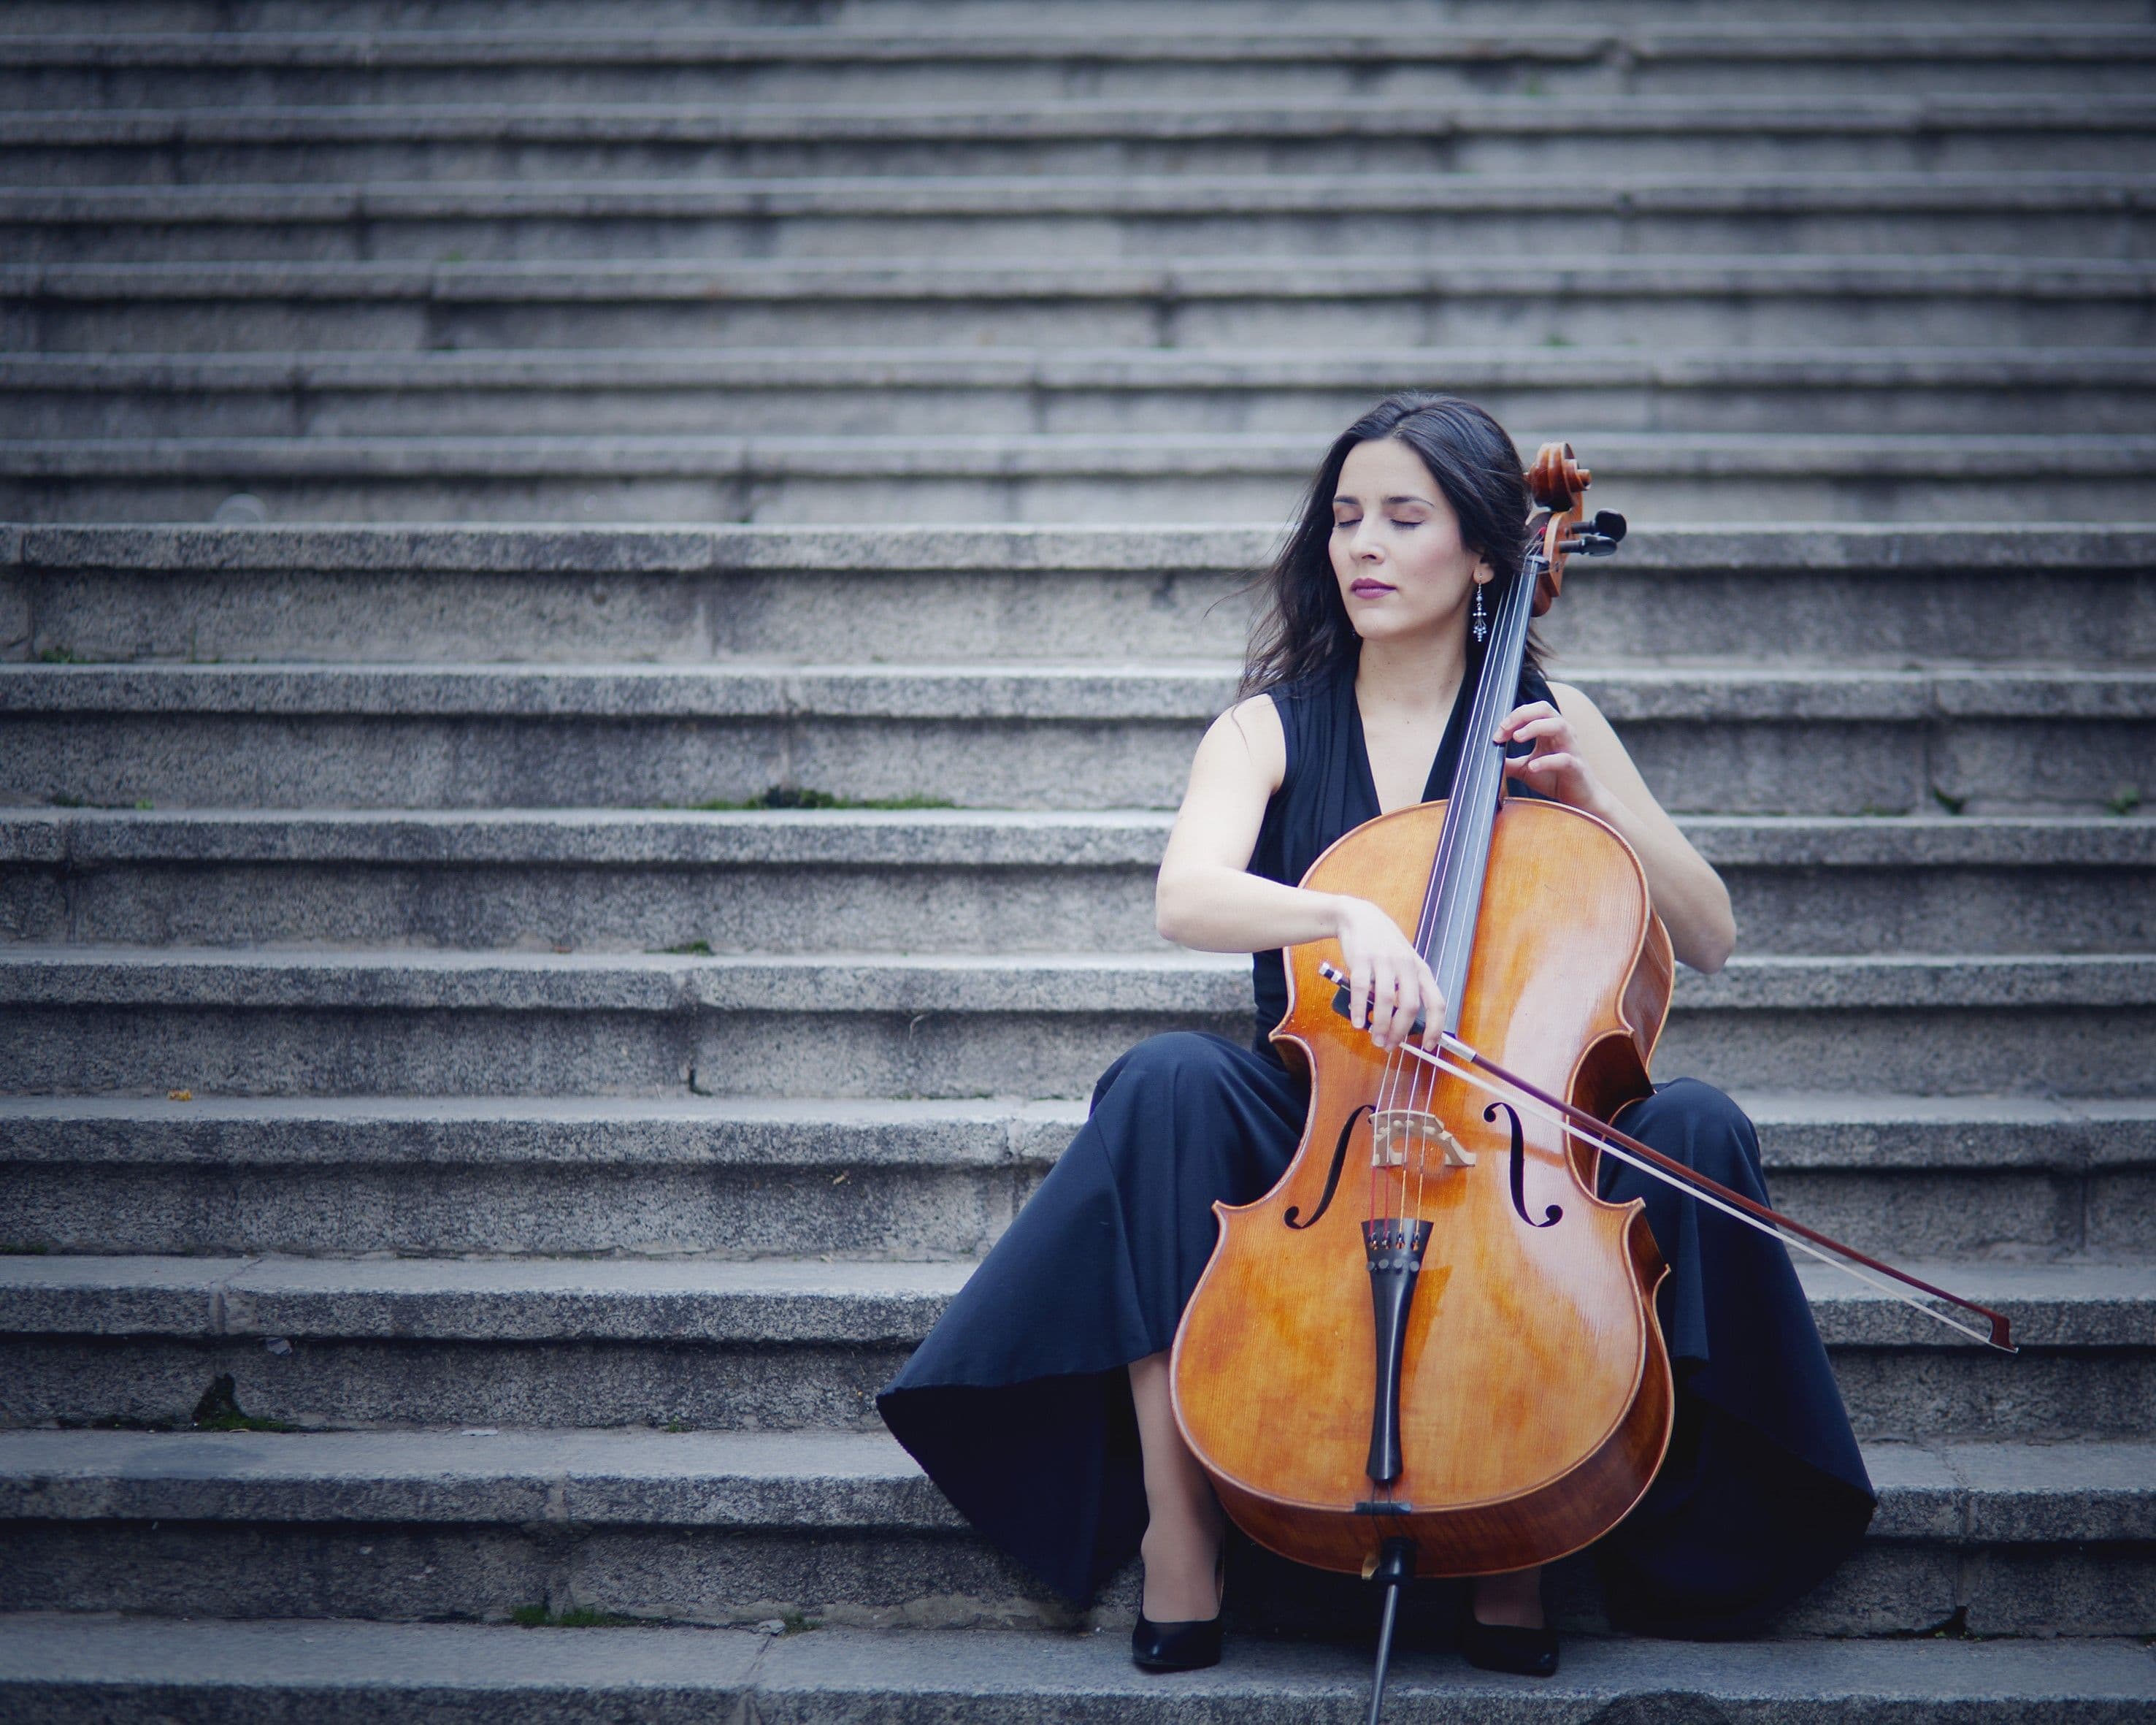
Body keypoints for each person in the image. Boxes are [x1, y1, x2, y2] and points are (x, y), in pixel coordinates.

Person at [878, 393, 1876, 1678]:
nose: (1364, 544)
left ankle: (1534, 1521)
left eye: (1404, 518)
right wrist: (1342, 911)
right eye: (1346, 517)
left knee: (1694, 1127)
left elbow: (1715, 932)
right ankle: (1183, 1533)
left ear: (1481, 555)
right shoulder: (1267, 724)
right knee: (1163, 1083)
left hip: (1515, 1138)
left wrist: (1594, 803)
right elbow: (1186, 895)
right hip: (1325, 1127)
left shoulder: (1550, 721)